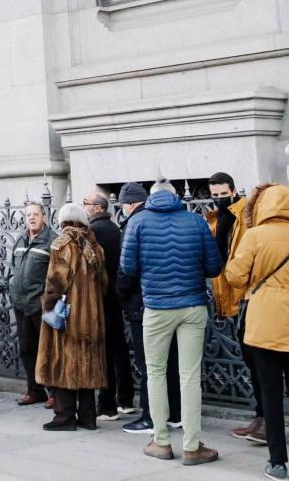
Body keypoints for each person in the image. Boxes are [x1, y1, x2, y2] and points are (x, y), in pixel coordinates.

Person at [121, 181, 223, 465]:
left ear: (150, 197)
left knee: (155, 373)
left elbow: (127, 267)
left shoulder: (137, 222)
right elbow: (215, 267)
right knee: (189, 376)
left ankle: (161, 441)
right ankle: (192, 446)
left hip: (156, 306)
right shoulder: (195, 221)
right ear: (177, 196)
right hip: (192, 305)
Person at [223, 183, 289, 479]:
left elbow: (235, 277)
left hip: (264, 319)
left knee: (271, 393)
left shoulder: (254, 235)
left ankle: (277, 462)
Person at [205, 174, 266, 444]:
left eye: (223, 193)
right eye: (214, 194)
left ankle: (265, 420)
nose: (219, 198)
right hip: (232, 296)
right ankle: (260, 416)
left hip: (250, 297)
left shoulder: (244, 215)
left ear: (233, 190)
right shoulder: (217, 217)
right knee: (251, 361)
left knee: (259, 362)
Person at [38, 202, 109, 432]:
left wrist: (48, 308)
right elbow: (104, 284)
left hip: (68, 315)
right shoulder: (94, 246)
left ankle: (65, 416)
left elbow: (55, 283)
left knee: (64, 362)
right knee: (88, 362)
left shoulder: (62, 244)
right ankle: (88, 418)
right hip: (92, 316)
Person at [115, 182, 179, 436]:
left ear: (129, 204)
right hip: (176, 302)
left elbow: (127, 267)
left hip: (144, 304)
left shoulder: (137, 223)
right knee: (172, 362)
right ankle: (174, 413)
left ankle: (152, 416)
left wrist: (119, 292)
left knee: (149, 364)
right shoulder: (176, 219)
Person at [80, 190, 130, 419]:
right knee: (119, 349)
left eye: (86, 203)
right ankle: (126, 399)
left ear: (98, 208)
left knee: (105, 352)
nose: (84, 206)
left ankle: (108, 405)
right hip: (115, 297)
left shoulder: (95, 231)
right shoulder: (115, 228)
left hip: (101, 298)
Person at [8, 203, 55, 408]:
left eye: (36, 214)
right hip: (21, 304)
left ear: (44, 217)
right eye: (28, 215)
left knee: (48, 351)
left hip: (41, 305)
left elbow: (57, 275)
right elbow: (13, 267)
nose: (32, 218)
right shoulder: (21, 238)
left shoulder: (52, 240)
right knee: (27, 349)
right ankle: (35, 390)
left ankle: (55, 393)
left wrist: (46, 299)